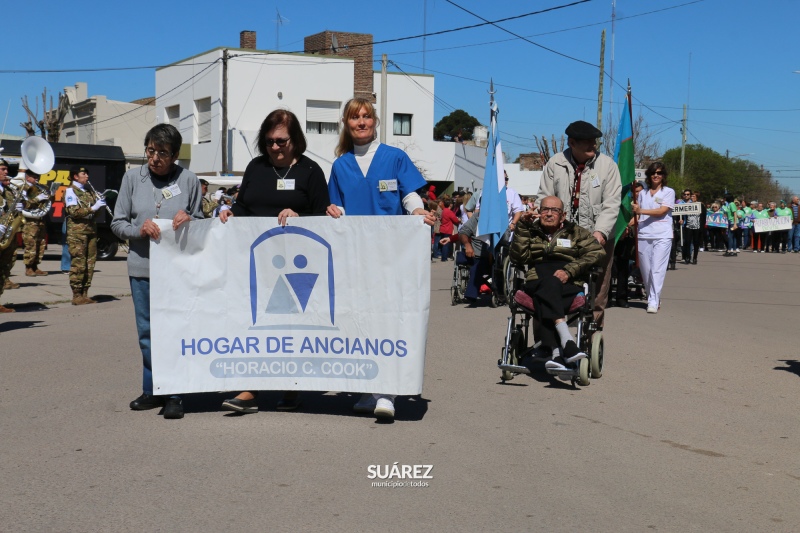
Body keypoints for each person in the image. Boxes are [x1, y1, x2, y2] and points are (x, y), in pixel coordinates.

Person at [326, 97, 435, 421]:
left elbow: (409, 194)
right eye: (355, 117)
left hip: (389, 255)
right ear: (347, 124)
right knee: (358, 319)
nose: (361, 122)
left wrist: (416, 210)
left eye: (367, 116)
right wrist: (333, 211)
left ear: (375, 121)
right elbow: (338, 206)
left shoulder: (394, 157)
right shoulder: (340, 165)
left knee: (386, 319)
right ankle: (366, 388)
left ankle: (386, 391)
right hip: (355, 256)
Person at [218, 109, 330, 415]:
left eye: (280, 141)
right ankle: (250, 390)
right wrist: (230, 212)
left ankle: (292, 388)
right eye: (268, 142)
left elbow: (324, 217)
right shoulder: (255, 167)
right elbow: (244, 206)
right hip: (255, 262)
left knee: (290, 326)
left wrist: (299, 216)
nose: (274, 147)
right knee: (254, 324)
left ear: (295, 140)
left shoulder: (311, 171)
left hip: (298, 266)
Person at [111, 124, 204, 420]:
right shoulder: (130, 179)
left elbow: (201, 221)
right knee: (147, 332)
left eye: (162, 152)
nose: (155, 158)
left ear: (175, 155)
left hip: (177, 271)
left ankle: (175, 394)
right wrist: (139, 229)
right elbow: (117, 223)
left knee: (176, 331)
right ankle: (153, 389)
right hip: (142, 268)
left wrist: (189, 218)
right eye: (150, 150)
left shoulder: (188, 180)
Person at [536, 120, 621, 327]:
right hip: (561, 239)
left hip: (597, 239)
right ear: (572, 143)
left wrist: (600, 232)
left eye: (595, 141)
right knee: (554, 283)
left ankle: (592, 336)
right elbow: (544, 198)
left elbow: (612, 204)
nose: (594, 145)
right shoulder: (555, 164)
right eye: (588, 142)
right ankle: (552, 339)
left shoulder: (607, 166)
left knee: (598, 293)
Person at [509, 196, 605, 371]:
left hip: (567, 280)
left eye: (555, 210)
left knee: (547, 290)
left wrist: (569, 270)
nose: (549, 214)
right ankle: (566, 341)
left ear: (563, 215)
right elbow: (518, 257)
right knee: (547, 284)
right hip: (536, 277)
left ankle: (554, 352)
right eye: (545, 209)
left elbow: (597, 252)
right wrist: (522, 226)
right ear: (539, 212)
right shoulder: (529, 230)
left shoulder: (576, 232)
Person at [632, 162, 675, 314]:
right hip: (644, 234)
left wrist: (640, 210)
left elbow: (662, 211)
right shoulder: (642, 193)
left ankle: (653, 300)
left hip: (662, 235)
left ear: (663, 176)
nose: (656, 175)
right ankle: (654, 296)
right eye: (653, 173)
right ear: (649, 176)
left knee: (657, 269)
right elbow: (638, 216)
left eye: (659, 173)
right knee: (646, 270)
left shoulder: (668, 192)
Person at [64, 166, 105, 305]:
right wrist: (93, 207)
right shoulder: (70, 191)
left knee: (90, 263)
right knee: (79, 262)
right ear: (75, 176)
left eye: (87, 173)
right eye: (83, 174)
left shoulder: (89, 191)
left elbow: (96, 214)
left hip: (91, 230)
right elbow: (74, 212)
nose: (87, 176)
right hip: (77, 232)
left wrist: (100, 205)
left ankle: (85, 293)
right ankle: (76, 295)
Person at [0, 158, 22, 313]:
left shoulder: (6, 190)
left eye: (6, 169)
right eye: (2, 169)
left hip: (5, 234)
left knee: (3, 268)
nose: (6, 172)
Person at [21, 169, 51, 276]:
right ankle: (28, 267)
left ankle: (35, 266)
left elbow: (46, 202)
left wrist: (49, 196)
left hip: (40, 219)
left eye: (37, 176)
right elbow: (23, 204)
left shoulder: (40, 188)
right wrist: (37, 199)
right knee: (31, 244)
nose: (37, 178)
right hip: (30, 221)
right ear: (27, 177)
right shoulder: (23, 188)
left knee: (40, 243)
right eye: (34, 176)